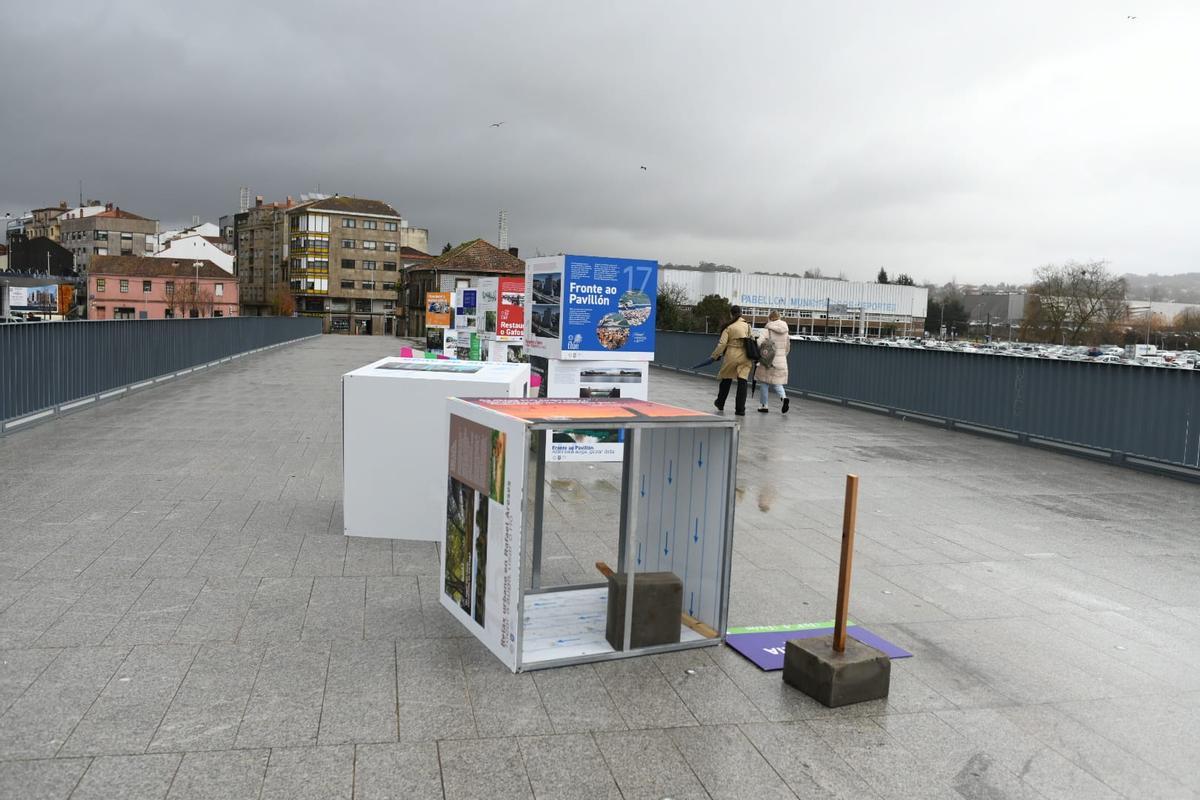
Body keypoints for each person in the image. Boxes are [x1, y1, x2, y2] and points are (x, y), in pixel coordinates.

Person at [710, 305, 752, 415]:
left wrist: (715, 356)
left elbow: (722, 344)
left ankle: (720, 402)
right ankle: (740, 409)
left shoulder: (729, 327)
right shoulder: (747, 326)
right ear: (741, 313)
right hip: (745, 357)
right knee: (742, 382)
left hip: (732, 355)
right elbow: (751, 339)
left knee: (726, 379)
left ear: (731, 314)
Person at [755, 310, 791, 413]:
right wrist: (783, 356)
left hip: (768, 360)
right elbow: (788, 346)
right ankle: (784, 398)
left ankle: (764, 405)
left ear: (770, 318)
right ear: (779, 318)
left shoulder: (768, 329)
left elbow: (759, 343)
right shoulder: (785, 331)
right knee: (777, 382)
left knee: (764, 382)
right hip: (781, 359)